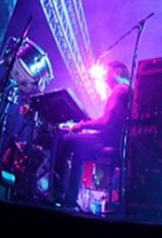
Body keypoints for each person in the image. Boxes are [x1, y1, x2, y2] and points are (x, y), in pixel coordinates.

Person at [52, 60, 130, 209]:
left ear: (117, 73)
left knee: (65, 139)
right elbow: (111, 122)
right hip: (117, 142)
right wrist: (89, 122)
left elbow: (106, 123)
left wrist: (81, 125)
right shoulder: (129, 90)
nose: (105, 78)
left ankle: (56, 193)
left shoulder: (119, 89)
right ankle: (69, 199)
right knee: (79, 150)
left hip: (108, 141)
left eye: (107, 72)